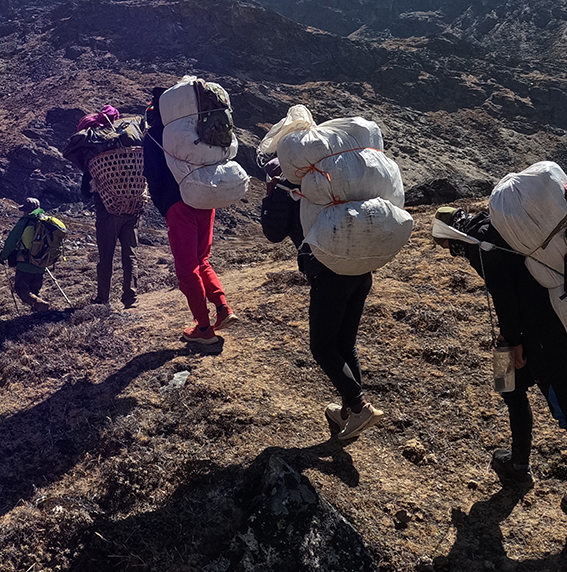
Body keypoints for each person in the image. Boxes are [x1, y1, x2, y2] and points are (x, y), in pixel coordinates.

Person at [435, 206, 567, 516]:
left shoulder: (480, 246)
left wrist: (513, 340)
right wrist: (509, 338)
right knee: (506, 384)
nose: (451, 253)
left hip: (541, 334)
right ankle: (517, 464)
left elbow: (504, 295)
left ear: (453, 237)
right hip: (532, 327)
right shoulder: (493, 228)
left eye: (446, 246)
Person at [259, 158, 384, 441]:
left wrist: (271, 195)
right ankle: (348, 412)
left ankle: (358, 406)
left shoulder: (286, 191)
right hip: (361, 268)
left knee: (322, 346)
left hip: (330, 275)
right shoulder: (330, 180)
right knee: (344, 343)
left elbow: (273, 233)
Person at [143, 88, 236, 344]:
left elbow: (151, 174)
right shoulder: (194, 127)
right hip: (205, 198)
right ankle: (222, 307)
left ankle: (204, 330)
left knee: (187, 268)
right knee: (201, 259)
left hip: (178, 204)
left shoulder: (154, 136)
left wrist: (165, 206)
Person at [67, 107, 144, 308]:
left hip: (107, 211)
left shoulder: (96, 154)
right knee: (130, 254)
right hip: (133, 207)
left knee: (106, 257)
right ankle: (131, 297)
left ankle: (103, 298)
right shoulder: (131, 148)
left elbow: (85, 191)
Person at [1, 198, 51, 312]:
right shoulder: (45, 221)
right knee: (35, 291)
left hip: (25, 262)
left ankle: (39, 304)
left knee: (20, 289)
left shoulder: (25, 222)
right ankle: (37, 314)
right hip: (41, 263)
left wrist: (3, 256)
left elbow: (11, 241)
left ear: (26, 210)